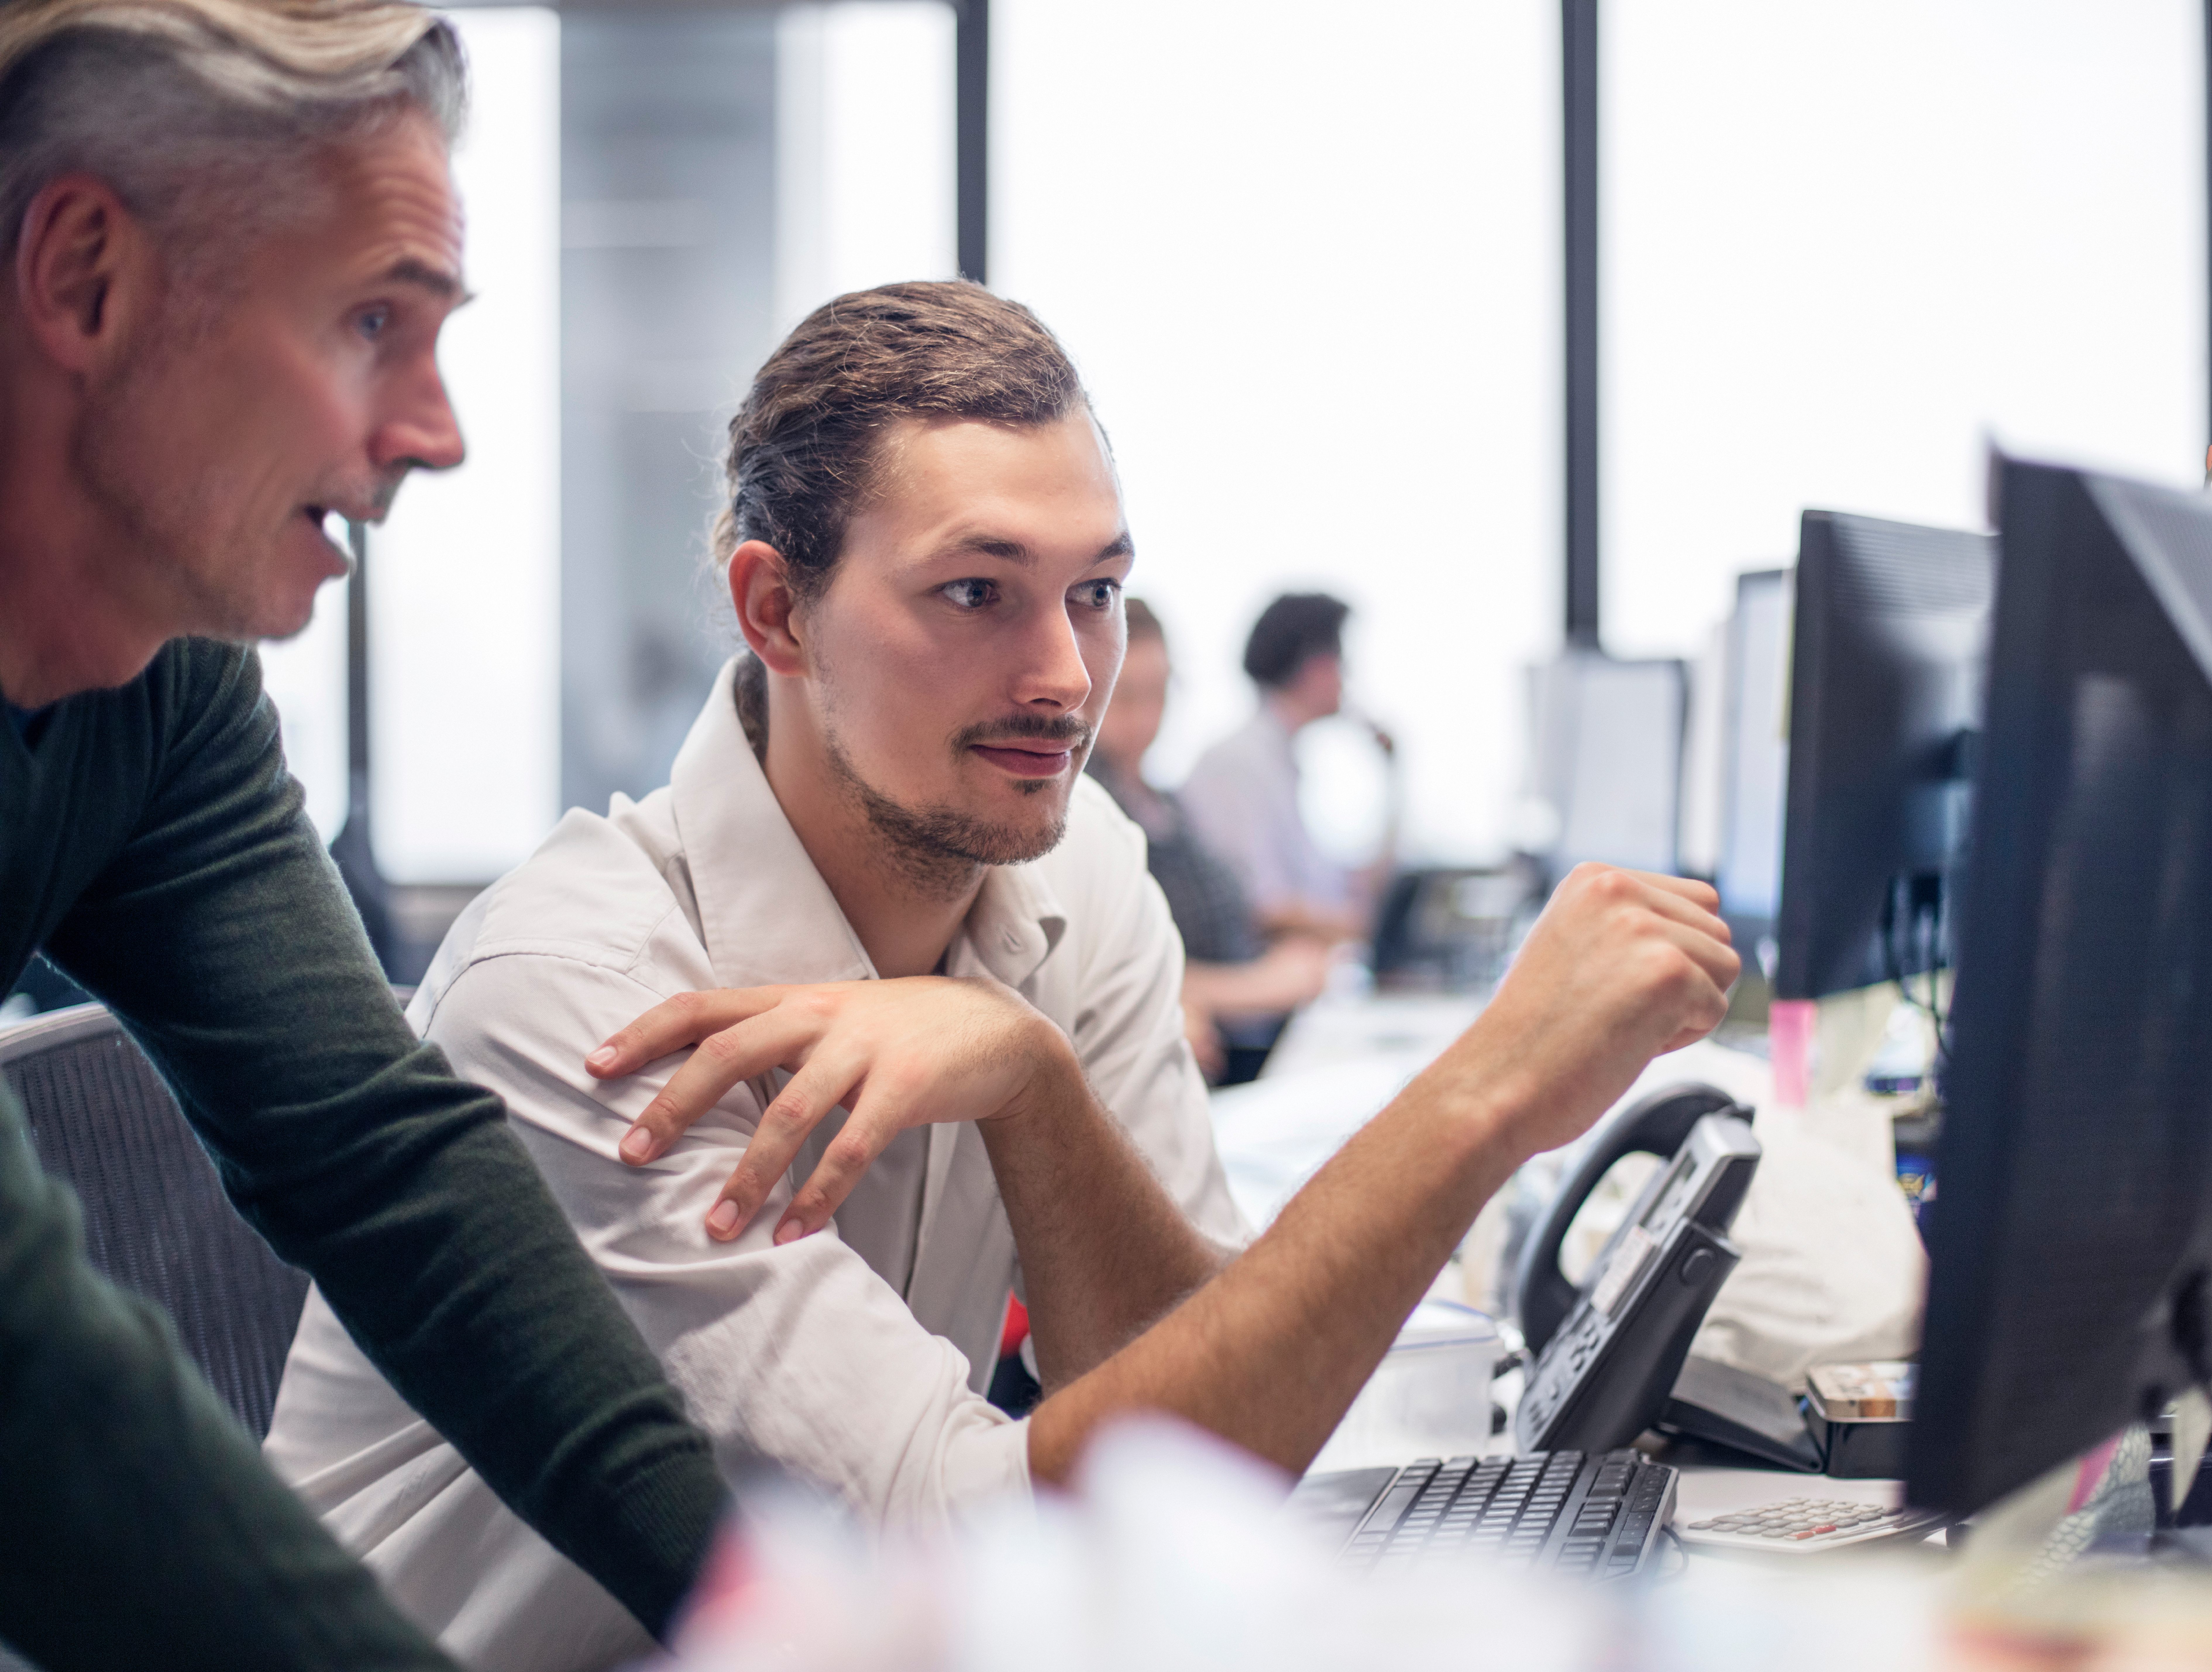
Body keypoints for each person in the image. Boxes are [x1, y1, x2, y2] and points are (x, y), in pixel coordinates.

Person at [266, 281, 1741, 1667]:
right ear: (774, 611)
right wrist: (1482, 1094)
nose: (1063, 676)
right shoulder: (585, 997)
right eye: (977, 593)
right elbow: (972, 1539)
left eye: (1094, 593)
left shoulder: (1072, 862)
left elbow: (1190, 1431)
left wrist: (1028, 1081)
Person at [0, 5, 728, 1666]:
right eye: (368, 324)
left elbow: (380, 1157)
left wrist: (742, 1607)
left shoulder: (159, 687)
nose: (435, 430)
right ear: (85, 279)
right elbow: (28, 1374)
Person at [1086, 596, 1329, 1080]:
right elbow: (1108, 973)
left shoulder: (1166, 802)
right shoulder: (1089, 808)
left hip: (1244, 1040)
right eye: (1127, 697)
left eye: (1160, 694)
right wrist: (1266, 985)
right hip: (1201, 1056)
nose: (1147, 719)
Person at [1180, 591, 1389, 945]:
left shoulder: (1280, 760)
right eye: (1343, 661)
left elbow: (1334, 888)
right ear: (1316, 666)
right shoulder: (1238, 763)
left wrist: (1392, 772)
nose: (1347, 678)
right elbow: (1261, 906)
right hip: (1257, 983)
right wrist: (1361, 929)